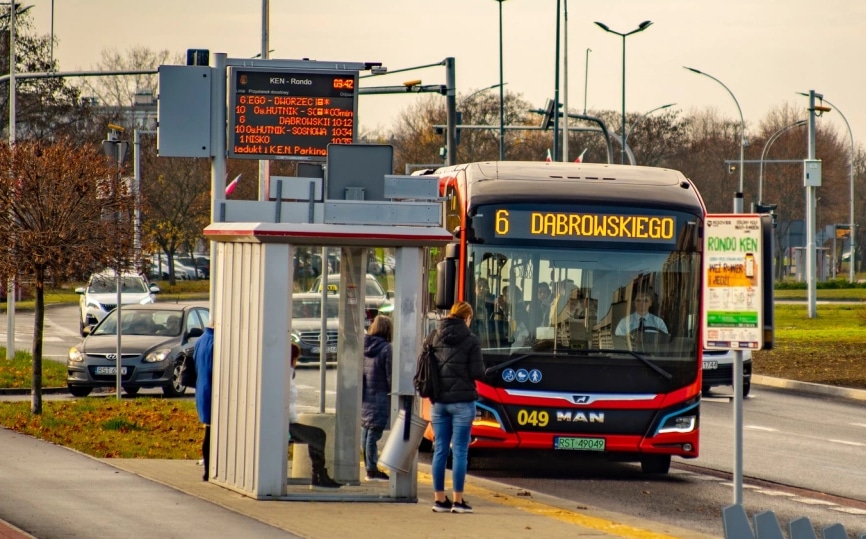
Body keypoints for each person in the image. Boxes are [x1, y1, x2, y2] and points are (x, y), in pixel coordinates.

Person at [430, 301, 484, 514]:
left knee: (440, 450)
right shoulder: (471, 340)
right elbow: (477, 372)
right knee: (460, 451)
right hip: (462, 403)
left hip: (439, 402)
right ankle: (458, 501)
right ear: (467, 318)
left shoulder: (434, 336)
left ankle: (439, 500)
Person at [288, 342, 341, 489]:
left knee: (317, 434)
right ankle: (318, 477)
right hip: (285, 426)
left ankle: (318, 475)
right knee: (318, 435)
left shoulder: (286, 374)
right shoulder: (286, 376)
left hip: (284, 423)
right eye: (296, 358)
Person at [361, 315, 393, 482]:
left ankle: (369, 467)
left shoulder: (365, 346)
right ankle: (371, 470)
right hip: (380, 396)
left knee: (366, 431)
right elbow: (390, 376)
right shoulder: (386, 348)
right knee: (373, 434)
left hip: (366, 395)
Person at [193, 321, 214, 481]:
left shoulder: (200, 340)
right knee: (212, 433)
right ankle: (210, 470)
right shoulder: (216, 343)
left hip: (202, 391)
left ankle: (207, 469)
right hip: (213, 392)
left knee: (209, 431)